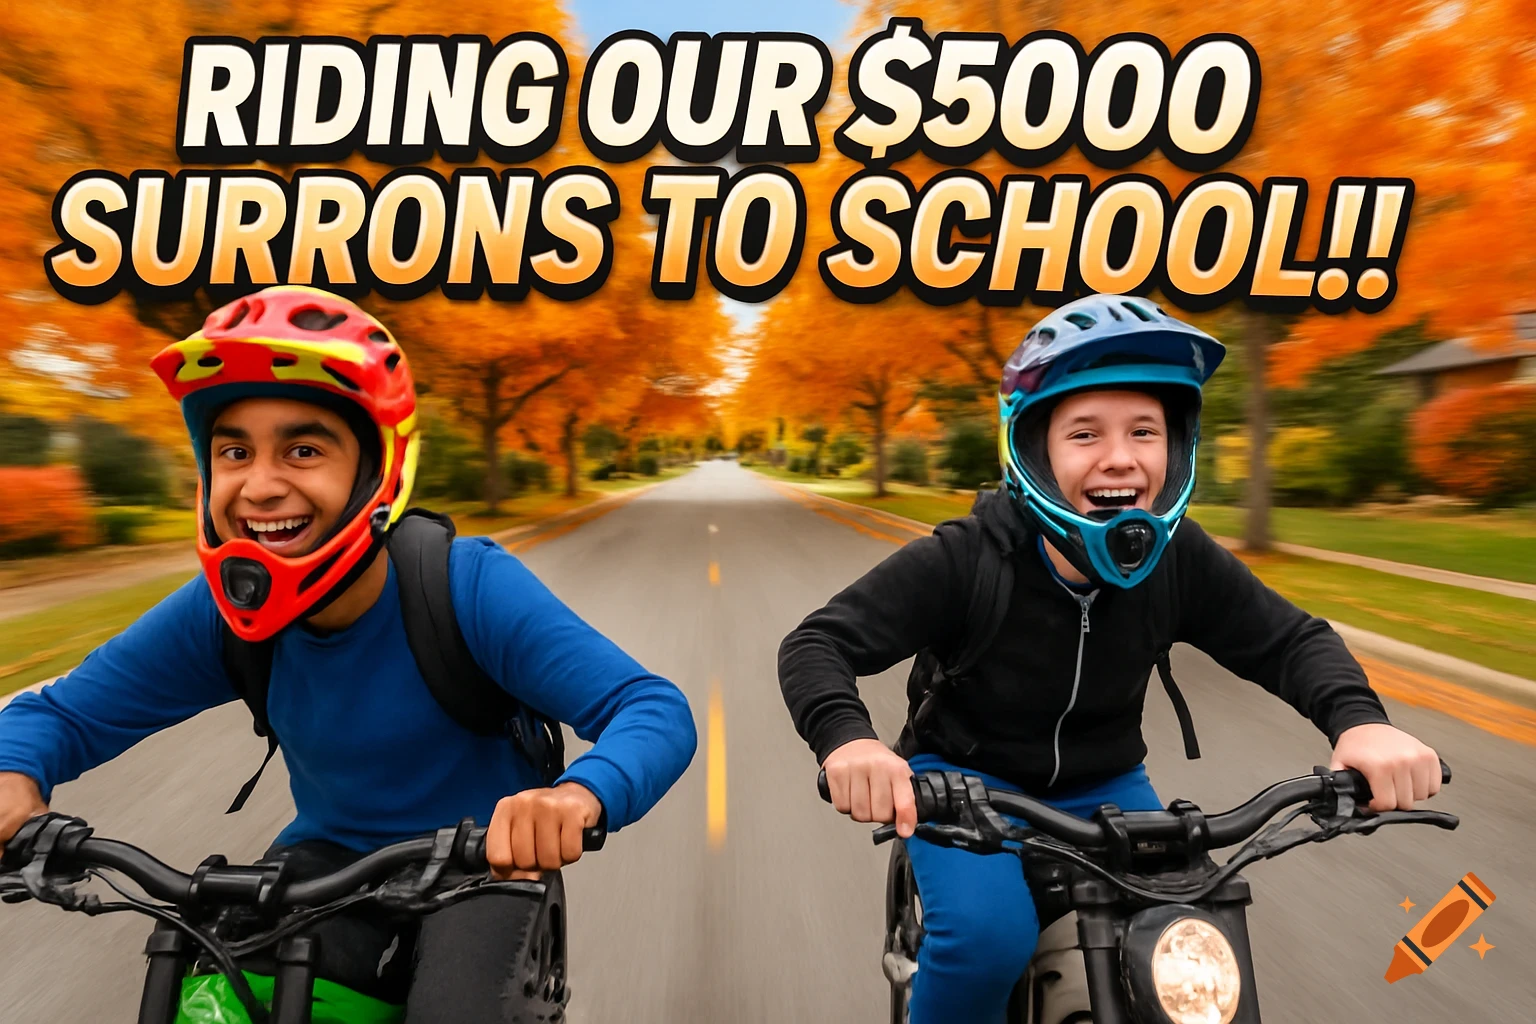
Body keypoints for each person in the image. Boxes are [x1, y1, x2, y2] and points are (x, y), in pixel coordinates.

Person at [0, 285, 697, 1020]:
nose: (260, 486)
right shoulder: (222, 615)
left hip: (484, 865)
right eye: (234, 450)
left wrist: (576, 797)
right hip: (322, 867)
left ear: (377, 470)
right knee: (209, 1001)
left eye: (303, 449)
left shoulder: (466, 587)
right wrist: (13, 771)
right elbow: (63, 713)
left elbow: (650, 707)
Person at [777, 294, 1442, 1024]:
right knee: (987, 940)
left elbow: (1289, 640)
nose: (1120, 456)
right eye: (1085, 433)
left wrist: (1361, 723)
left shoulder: (1178, 560)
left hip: (1109, 783)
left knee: (1189, 937)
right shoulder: (966, 558)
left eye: (1145, 431)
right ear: (1035, 450)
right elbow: (818, 643)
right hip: (962, 783)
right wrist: (851, 742)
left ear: (1176, 446)